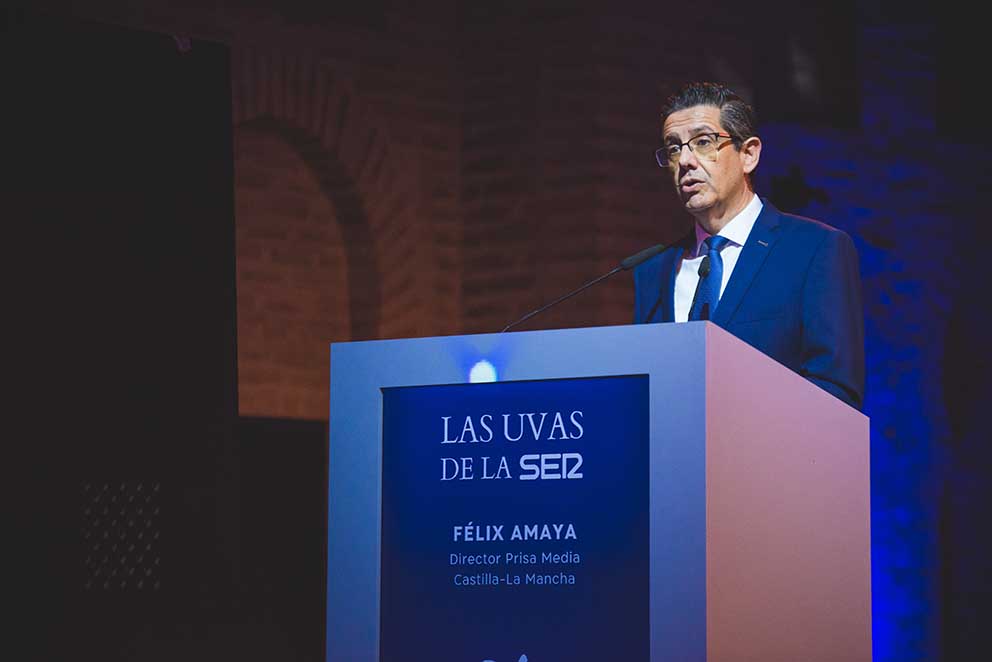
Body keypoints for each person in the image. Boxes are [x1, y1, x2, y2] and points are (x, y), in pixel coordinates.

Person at [633, 81, 865, 409]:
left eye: (703, 142)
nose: (685, 160)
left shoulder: (814, 250)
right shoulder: (652, 271)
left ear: (749, 154)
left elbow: (836, 389)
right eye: (673, 148)